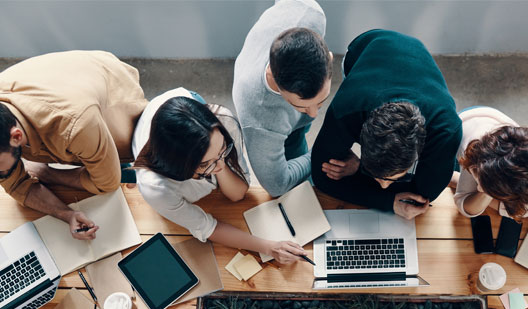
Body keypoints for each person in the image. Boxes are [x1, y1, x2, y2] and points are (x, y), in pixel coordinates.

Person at [132, 88, 307, 264]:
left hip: (186, 103)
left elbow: (237, 193)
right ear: (180, 165)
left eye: (223, 149)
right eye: (205, 163)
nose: (222, 165)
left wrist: (217, 159)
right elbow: (208, 228)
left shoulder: (223, 122)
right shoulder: (156, 187)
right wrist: (269, 247)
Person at [311, 29, 462, 220]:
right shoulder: (347, 109)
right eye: (376, 175)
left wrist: (359, 173)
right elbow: (321, 175)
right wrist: (387, 200)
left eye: (390, 178)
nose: (383, 186)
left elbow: (424, 196)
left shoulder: (447, 130)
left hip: (416, 56)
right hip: (368, 47)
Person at [0, 50, 147, 240]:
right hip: (68, 81)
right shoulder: (4, 130)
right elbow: (18, 185)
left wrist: (49, 174)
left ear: (16, 136)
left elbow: (108, 183)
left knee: (127, 171)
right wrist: (67, 214)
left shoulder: (75, 125)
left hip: (116, 97)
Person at [232, 0, 332, 197]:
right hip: (270, 123)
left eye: (321, 102)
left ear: (328, 57)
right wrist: (324, 151)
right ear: (275, 82)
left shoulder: (310, 12)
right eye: (300, 106)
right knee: (300, 189)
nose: (314, 114)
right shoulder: (261, 120)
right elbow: (277, 185)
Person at [454, 107, 528, 220]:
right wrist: (485, 191)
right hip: (459, 128)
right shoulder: (478, 155)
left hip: (488, 118)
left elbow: (518, 211)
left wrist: (484, 190)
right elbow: (465, 206)